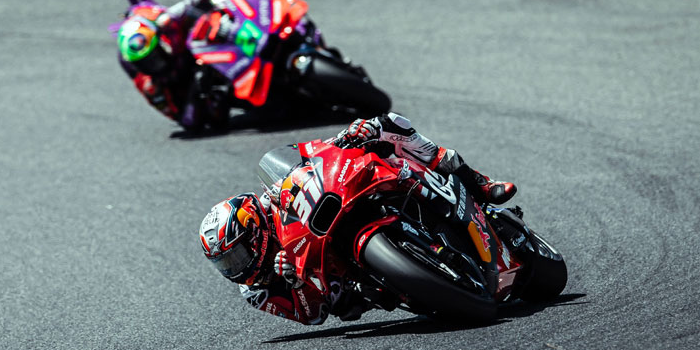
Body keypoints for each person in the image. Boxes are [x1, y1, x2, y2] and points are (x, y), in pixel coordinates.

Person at [198, 113, 517, 325]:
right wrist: (296, 282)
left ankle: (478, 182)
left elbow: (310, 155)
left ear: (253, 228)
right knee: (347, 305)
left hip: (343, 206)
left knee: (387, 125)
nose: (236, 268)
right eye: (226, 264)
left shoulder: (274, 198)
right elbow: (312, 315)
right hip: (344, 285)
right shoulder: (256, 291)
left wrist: (347, 136)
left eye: (236, 255)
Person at [112, 0, 261, 131]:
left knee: (214, 14)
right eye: (145, 64)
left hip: (199, 50)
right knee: (213, 117)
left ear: (161, 42)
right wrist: (196, 88)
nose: (153, 66)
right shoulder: (152, 87)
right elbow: (186, 120)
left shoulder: (167, 22)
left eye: (154, 58)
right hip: (195, 83)